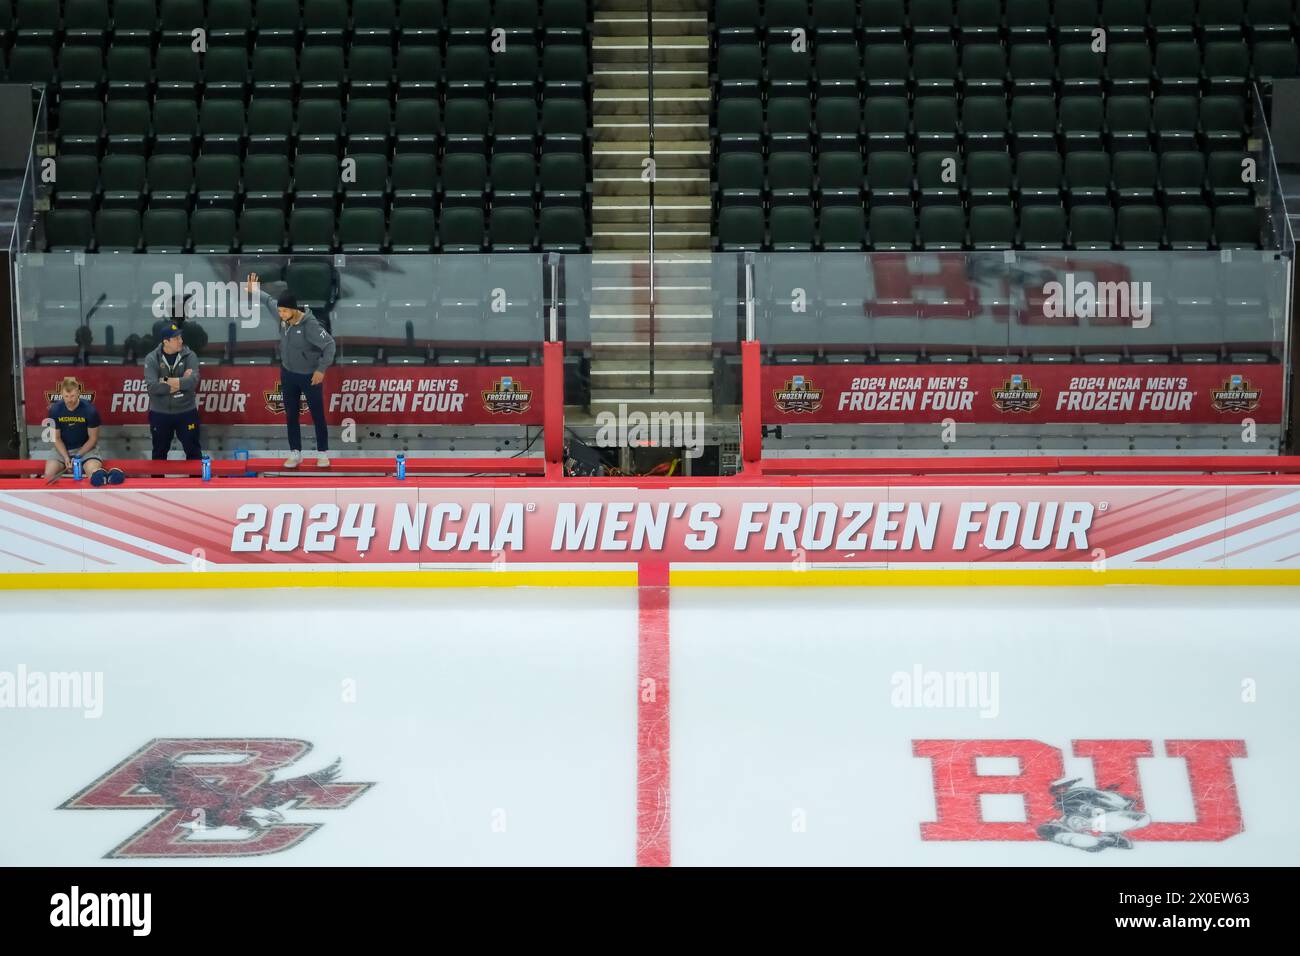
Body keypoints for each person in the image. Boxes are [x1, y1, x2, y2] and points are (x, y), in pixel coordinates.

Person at [245, 273, 336, 468]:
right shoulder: (281, 316)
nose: (281, 315)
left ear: (294, 310)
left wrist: (321, 370)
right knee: (291, 414)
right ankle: (296, 453)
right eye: (280, 312)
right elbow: (268, 300)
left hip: (310, 376)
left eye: (285, 311)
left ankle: (322, 453)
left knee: (317, 415)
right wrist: (255, 291)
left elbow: (330, 345)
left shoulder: (310, 325)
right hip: (288, 374)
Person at [43, 376, 124, 486]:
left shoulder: (90, 410)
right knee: (48, 475)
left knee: (93, 474)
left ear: (78, 393)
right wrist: (66, 457)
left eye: (72, 396)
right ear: (62, 395)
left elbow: (93, 439)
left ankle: (108, 475)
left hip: (86, 449)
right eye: (66, 396)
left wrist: (78, 456)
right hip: (62, 449)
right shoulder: (55, 410)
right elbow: (56, 438)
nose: (69, 400)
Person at [143, 321, 203, 462]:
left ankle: (196, 483)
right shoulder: (152, 358)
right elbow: (152, 387)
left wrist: (164, 380)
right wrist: (181, 382)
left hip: (186, 412)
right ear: (166, 341)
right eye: (176, 338)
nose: (181, 341)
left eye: (180, 337)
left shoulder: (190, 355)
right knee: (159, 454)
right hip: (160, 414)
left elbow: (193, 381)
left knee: (194, 452)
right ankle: (156, 484)